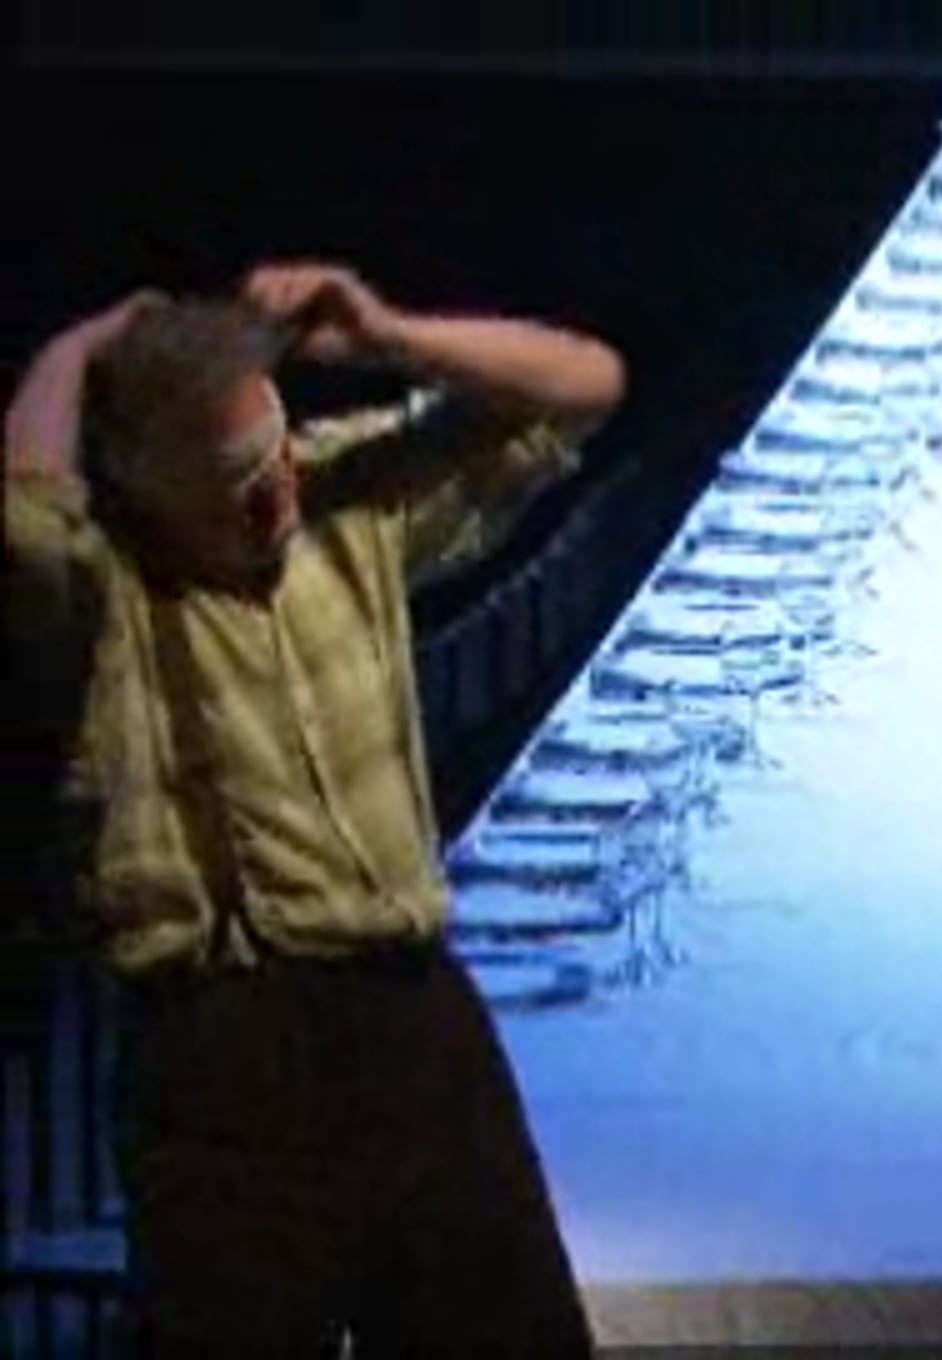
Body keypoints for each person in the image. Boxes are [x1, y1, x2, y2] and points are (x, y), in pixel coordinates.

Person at [5, 262, 625, 1354]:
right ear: (145, 489)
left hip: (410, 1020)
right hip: (222, 1059)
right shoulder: (103, 595)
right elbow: (24, 523)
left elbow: (583, 386)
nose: (274, 492)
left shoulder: (343, 502)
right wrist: (77, 347)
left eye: (276, 450)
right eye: (233, 481)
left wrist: (393, 334)